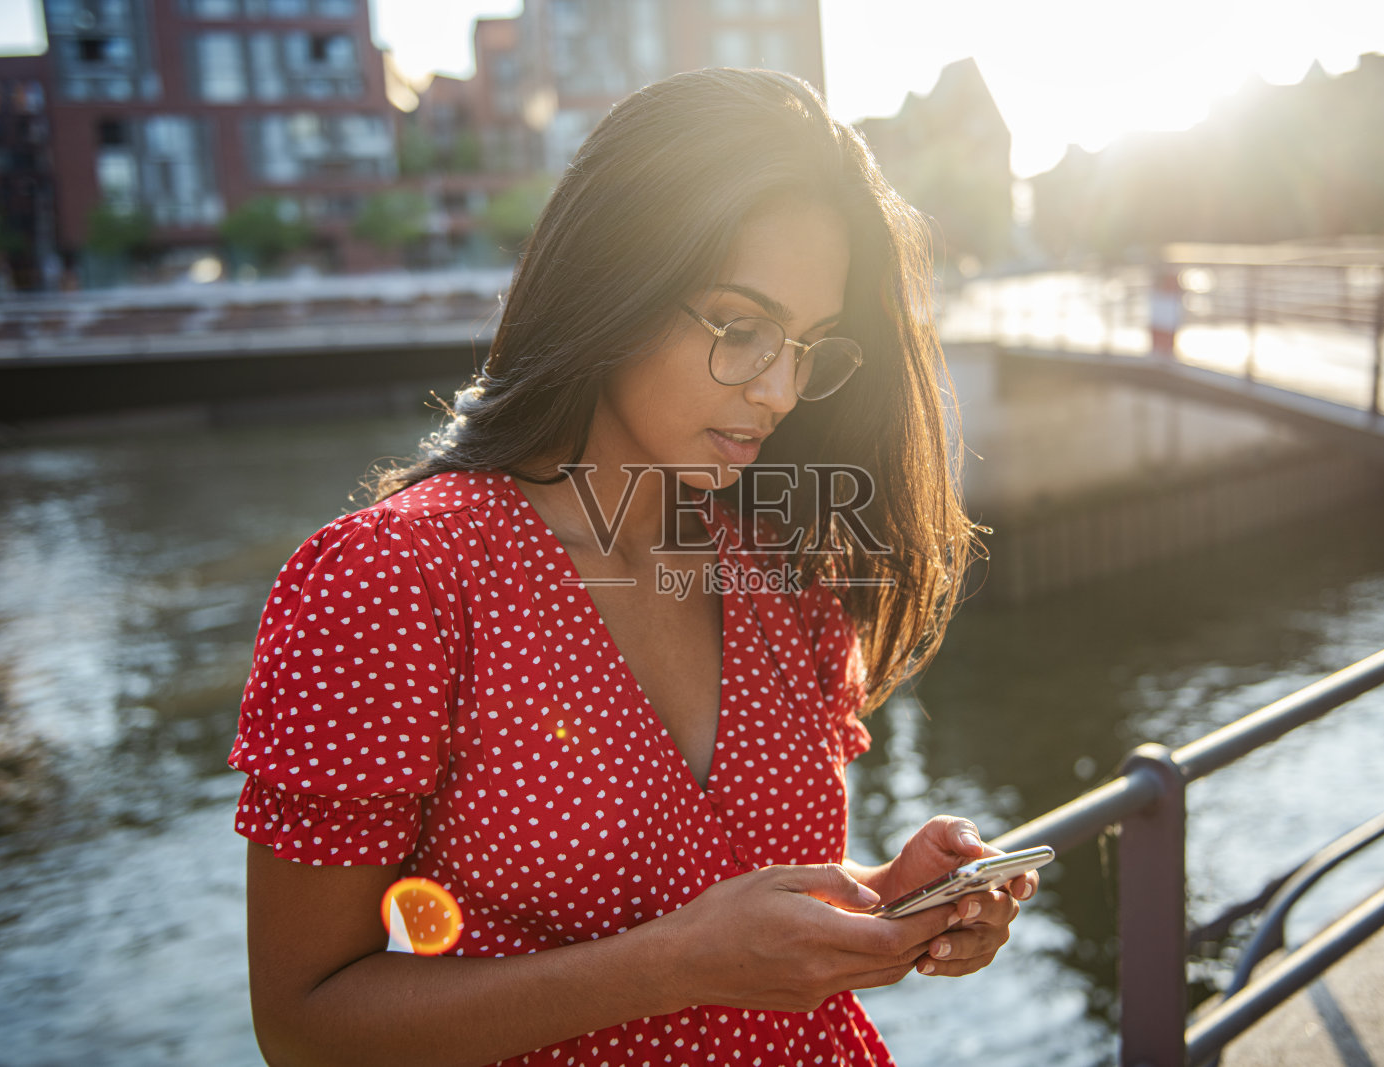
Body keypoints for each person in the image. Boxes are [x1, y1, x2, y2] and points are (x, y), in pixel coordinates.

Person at [230, 68, 1037, 1067]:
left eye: (809, 345)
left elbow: (744, 899)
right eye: (741, 327)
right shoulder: (396, 579)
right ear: (617, 280)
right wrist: (670, 966)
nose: (781, 390)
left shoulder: (779, 565)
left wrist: (890, 903)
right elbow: (303, 1025)